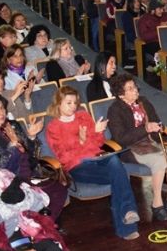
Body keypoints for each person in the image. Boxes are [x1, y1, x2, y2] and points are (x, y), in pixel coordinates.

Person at [45, 86, 140, 239]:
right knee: (119, 173)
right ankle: (127, 221)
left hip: (97, 159)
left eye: (75, 103)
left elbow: (98, 143)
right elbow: (63, 157)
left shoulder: (83, 116)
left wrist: (97, 131)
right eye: (68, 103)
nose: (73, 107)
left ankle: (128, 216)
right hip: (77, 167)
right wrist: (81, 141)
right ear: (58, 103)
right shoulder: (54, 127)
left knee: (115, 161)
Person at [107, 74, 167, 221]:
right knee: (160, 161)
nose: (136, 90)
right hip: (131, 147)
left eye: (135, 87)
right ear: (121, 94)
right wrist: (146, 129)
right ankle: (156, 203)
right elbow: (121, 139)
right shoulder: (115, 110)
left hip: (152, 141)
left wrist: (158, 126)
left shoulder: (143, 102)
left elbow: (157, 120)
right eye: (130, 89)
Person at [0, 93, 67, 219]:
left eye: (2, 108)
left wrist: (31, 137)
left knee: (60, 190)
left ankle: (45, 224)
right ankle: (42, 225)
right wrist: (11, 147)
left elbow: (31, 154)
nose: (1, 112)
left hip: (30, 172)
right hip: (10, 181)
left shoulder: (12, 125)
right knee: (52, 192)